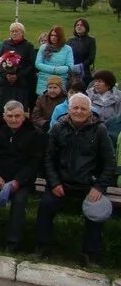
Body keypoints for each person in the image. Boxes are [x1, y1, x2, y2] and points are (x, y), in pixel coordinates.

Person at [35, 93, 116, 267]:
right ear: (69, 109)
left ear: (89, 111)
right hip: (61, 184)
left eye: (83, 108)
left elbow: (110, 162)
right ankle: (42, 247)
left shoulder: (100, 130)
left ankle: (90, 254)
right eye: (75, 108)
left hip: (89, 185)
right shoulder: (57, 127)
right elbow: (48, 159)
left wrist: (99, 188)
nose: (79, 111)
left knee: (96, 214)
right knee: (46, 206)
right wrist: (54, 183)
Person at [0, 101, 47, 252]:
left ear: (24, 116)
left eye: (17, 116)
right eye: (10, 116)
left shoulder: (35, 134)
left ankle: (13, 243)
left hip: (22, 180)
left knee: (19, 201)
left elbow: (35, 162)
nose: (14, 120)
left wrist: (18, 181)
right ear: (4, 116)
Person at [0, 22, 36, 115]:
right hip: (5, 83)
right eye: (12, 31)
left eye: (17, 31)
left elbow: (32, 65)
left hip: (20, 83)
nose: (14, 33)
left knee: (17, 110)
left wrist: (17, 75)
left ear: (22, 33)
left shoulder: (28, 46)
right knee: (4, 111)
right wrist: (6, 75)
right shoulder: (5, 44)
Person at [35, 26, 74, 96]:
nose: (53, 37)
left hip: (60, 81)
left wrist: (58, 70)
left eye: (56, 35)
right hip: (44, 81)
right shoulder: (43, 47)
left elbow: (70, 66)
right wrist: (53, 69)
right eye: (51, 35)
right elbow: (38, 64)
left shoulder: (67, 49)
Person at [66, 18, 95, 83]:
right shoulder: (70, 40)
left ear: (86, 27)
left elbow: (91, 58)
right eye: (77, 25)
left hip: (84, 72)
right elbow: (65, 55)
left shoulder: (91, 40)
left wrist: (80, 66)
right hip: (69, 72)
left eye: (81, 25)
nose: (79, 26)